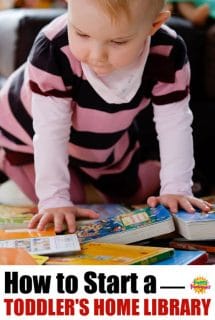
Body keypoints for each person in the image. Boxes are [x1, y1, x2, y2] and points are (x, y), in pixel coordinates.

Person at [0, 0, 211, 233]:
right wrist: (54, 199)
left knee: (131, 192)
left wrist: (177, 186)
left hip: (103, 131)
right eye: (81, 33)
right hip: (26, 135)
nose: (97, 55)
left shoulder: (168, 51)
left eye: (118, 41)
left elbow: (175, 121)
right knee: (69, 202)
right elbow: (50, 132)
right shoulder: (52, 49)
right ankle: (6, 157)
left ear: (154, 25)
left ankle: (141, 169)